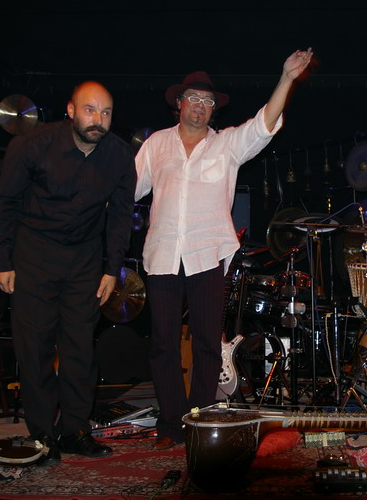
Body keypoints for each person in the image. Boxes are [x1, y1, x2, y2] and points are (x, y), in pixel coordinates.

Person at [134, 48, 314, 449]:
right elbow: (126, 189)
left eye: (208, 101)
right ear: (179, 103)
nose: (200, 106)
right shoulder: (155, 145)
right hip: (162, 254)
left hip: (207, 254)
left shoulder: (227, 144)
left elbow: (264, 125)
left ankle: (199, 422)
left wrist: (286, 78)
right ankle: (170, 424)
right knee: (163, 344)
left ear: (213, 109)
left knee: (206, 344)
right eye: (193, 98)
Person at [0, 81, 136, 466]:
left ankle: (75, 430)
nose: (98, 119)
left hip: (84, 258)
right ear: (70, 110)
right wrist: (2, 259)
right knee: (35, 347)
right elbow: (4, 202)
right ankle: (42, 434)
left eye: (105, 112)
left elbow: (121, 216)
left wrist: (112, 268)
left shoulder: (120, 155)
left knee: (80, 348)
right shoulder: (32, 144)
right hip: (33, 253)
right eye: (90, 110)